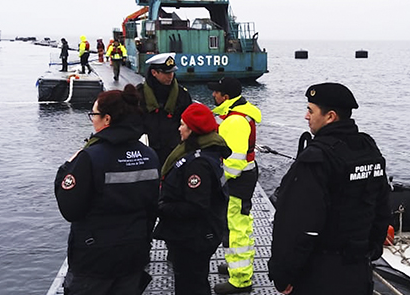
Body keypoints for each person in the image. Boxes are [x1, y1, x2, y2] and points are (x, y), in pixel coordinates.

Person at [267, 83, 391, 295]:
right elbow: (381, 205)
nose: (306, 116)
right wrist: (371, 250)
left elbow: (297, 224)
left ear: (330, 117)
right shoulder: (368, 148)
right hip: (358, 270)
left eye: (310, 110)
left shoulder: (317, 158)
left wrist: (283, 273)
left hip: (319, 272)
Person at [54, 84, 160, 295]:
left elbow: (70, 209)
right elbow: (152, 207)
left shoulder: (90, 157)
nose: (92, 119)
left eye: (94, 114)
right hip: (134, 252)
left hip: (95, 259)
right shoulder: (150, 155)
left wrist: (66, 169)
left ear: (107, 119)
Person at [153, 103, 231, 295]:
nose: (179, 128)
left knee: (191, 283)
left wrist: (161, 207)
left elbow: (196, 206)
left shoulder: (197, 164)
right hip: (200, 233)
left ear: (193, 129)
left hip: (193, 237)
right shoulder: (207, 153)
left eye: (182, 125)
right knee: (195, 280)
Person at [207, 77, 262, 294]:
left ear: (226, 96)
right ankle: (235, 266)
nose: (213, 95)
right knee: (232, 226)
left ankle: (241, 279)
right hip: (241, 177)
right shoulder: (234, 115)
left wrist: (217, 182)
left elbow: (235, 161)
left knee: (238, 230)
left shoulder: (235, 121)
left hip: (237, 181)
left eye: (216, 92)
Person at [136, 53, 192, 163]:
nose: (170, 76)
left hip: (174, 151)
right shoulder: (139, 95)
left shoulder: (182, 95)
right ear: (154, 73)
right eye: (166, 72)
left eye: (172, 72)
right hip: (146, 151)